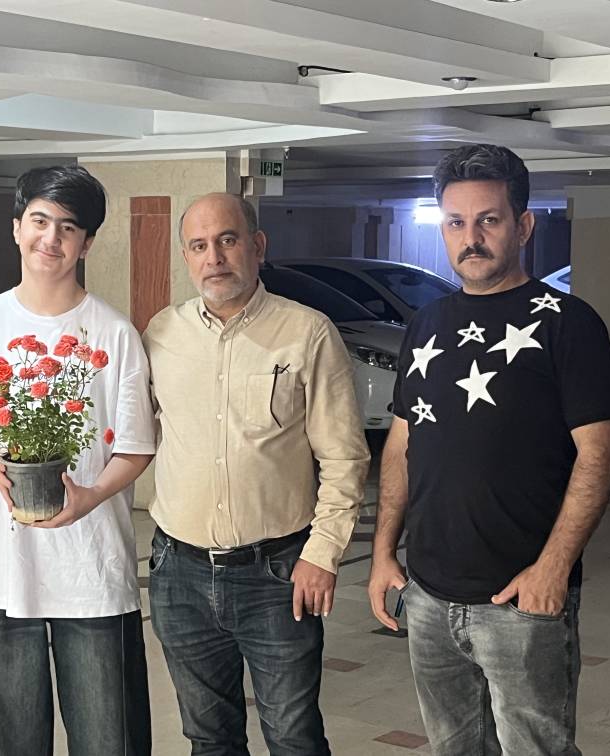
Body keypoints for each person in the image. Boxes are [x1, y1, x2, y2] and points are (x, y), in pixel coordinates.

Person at [368, 143, 610, 755]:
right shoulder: (426, 325)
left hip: (520, 600)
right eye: (456, 222)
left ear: (523, 225)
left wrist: (553, 569)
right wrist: (382, 553)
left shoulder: (568, 323)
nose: (471, 238)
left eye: (489, 220)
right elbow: (401, 446)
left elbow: (600, 455)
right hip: (429, 594)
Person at [0, 165, 155, 756]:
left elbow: (135, 445)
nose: (50, 238)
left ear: (87, 243)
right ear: (16, 228)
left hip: (91, 564)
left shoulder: (113, 332)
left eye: (68, 227)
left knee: (109, 734)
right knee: (2, 736)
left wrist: (90, 496)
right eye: (39, 221)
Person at [142, 192, 370, 756]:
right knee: (208, 739)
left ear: (257, 245)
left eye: (227, 240)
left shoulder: (307, 333)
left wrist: (323, 555)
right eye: (199, 246)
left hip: (278, 575)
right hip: (179, 573)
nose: (214, 257)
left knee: (293, 737)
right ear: (186, 257)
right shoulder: (162, 334)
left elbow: (344, 458)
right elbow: (134, 434)